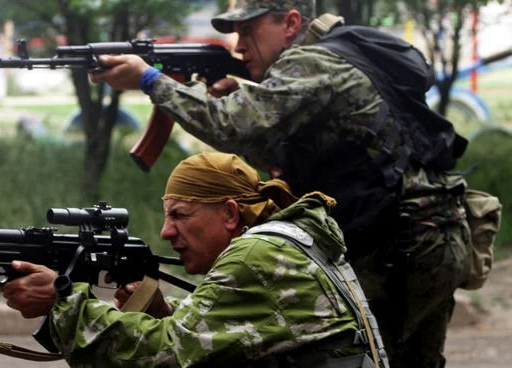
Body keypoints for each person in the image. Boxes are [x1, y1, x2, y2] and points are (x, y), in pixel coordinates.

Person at [86, 1, 472, 367]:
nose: (239, 46)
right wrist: (240, 97)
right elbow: (284, 153)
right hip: (434, 232)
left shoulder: (311, 60)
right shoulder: (340, 57)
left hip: (400, 245)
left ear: (290, 23)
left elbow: (231, 126)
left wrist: (149, 79)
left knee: (356, 356)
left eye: (249, 30)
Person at [1, 152, 387, 367]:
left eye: (181, 215)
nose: (167, 232)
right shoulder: (288, 243)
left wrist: (64, 304)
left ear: (231, 215)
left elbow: (166, 356)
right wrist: (165, 313)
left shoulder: (256, 255)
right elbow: (238, 339)